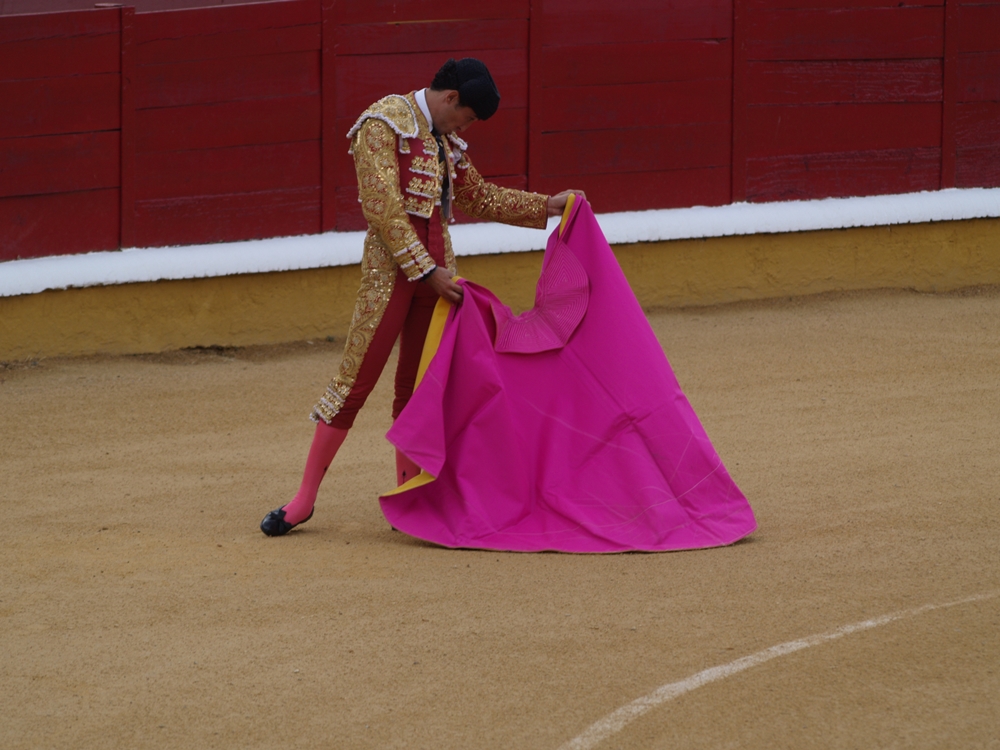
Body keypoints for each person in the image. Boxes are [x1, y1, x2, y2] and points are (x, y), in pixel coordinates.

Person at [260, 57, 583, 536]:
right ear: (451, 98)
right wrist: (426, 270)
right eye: (468, 117)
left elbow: (477, 196)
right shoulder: (382, 123)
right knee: (353, 384)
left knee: (418, 391)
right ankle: (303, 500)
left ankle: (408, 499)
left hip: (438, 279)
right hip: (393, 276)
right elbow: (383, 209)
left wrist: (547, 206)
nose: (466, 126)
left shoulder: (442, 137)